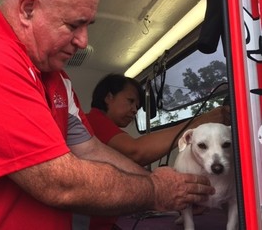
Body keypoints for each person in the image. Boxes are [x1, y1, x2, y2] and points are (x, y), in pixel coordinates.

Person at [0, 0, 215, 230]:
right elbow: (59, 183)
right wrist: (156, 191)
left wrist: (174, 190)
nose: (83, 41)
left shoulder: (58, 79)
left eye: (87, 26)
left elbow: (91, 149)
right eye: (74, 25)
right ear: (28, 9)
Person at [83, 73, 230, 229]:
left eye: (137, 107)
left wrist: (169, 193)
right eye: (130, 101)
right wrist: (202, 121)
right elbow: (136, 152)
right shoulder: (93, 120)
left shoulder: (107, 131)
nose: (134, 110)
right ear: (108, 97)